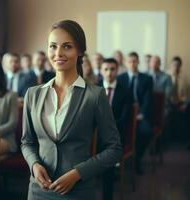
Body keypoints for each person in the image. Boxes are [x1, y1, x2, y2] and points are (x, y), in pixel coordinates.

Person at [21, 20, 122, 200]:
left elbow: (114, 149)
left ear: (80, 51)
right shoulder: (33, 94)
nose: (58, 53)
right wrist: (34, 165)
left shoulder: (95, 95)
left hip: (77, 191)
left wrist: (77, 173)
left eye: (67, 46)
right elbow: (27, 142)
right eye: (53, 46)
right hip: (38, 190)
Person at [99, 58, 131, 200]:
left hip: (115, 135)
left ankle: (107, 196)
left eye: (112, 69)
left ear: (117, 71)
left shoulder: (125, 91)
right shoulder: (94, 88)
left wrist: (108, 130)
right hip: (95, 134)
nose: (109, 73)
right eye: (106, 69)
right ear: (101, 71)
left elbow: (125, 118)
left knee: (108, 153)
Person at [118, 52, 153, 174]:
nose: (132, 64)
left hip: (140, 115)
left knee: (146, 132)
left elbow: (148, 101)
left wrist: (140, 115)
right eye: (130, 61)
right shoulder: (120, 78)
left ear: (138, 62)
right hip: (124, 115)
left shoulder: (147, 79)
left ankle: (137, 160)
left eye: (134, 61)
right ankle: (117, 162)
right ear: (126, 63)